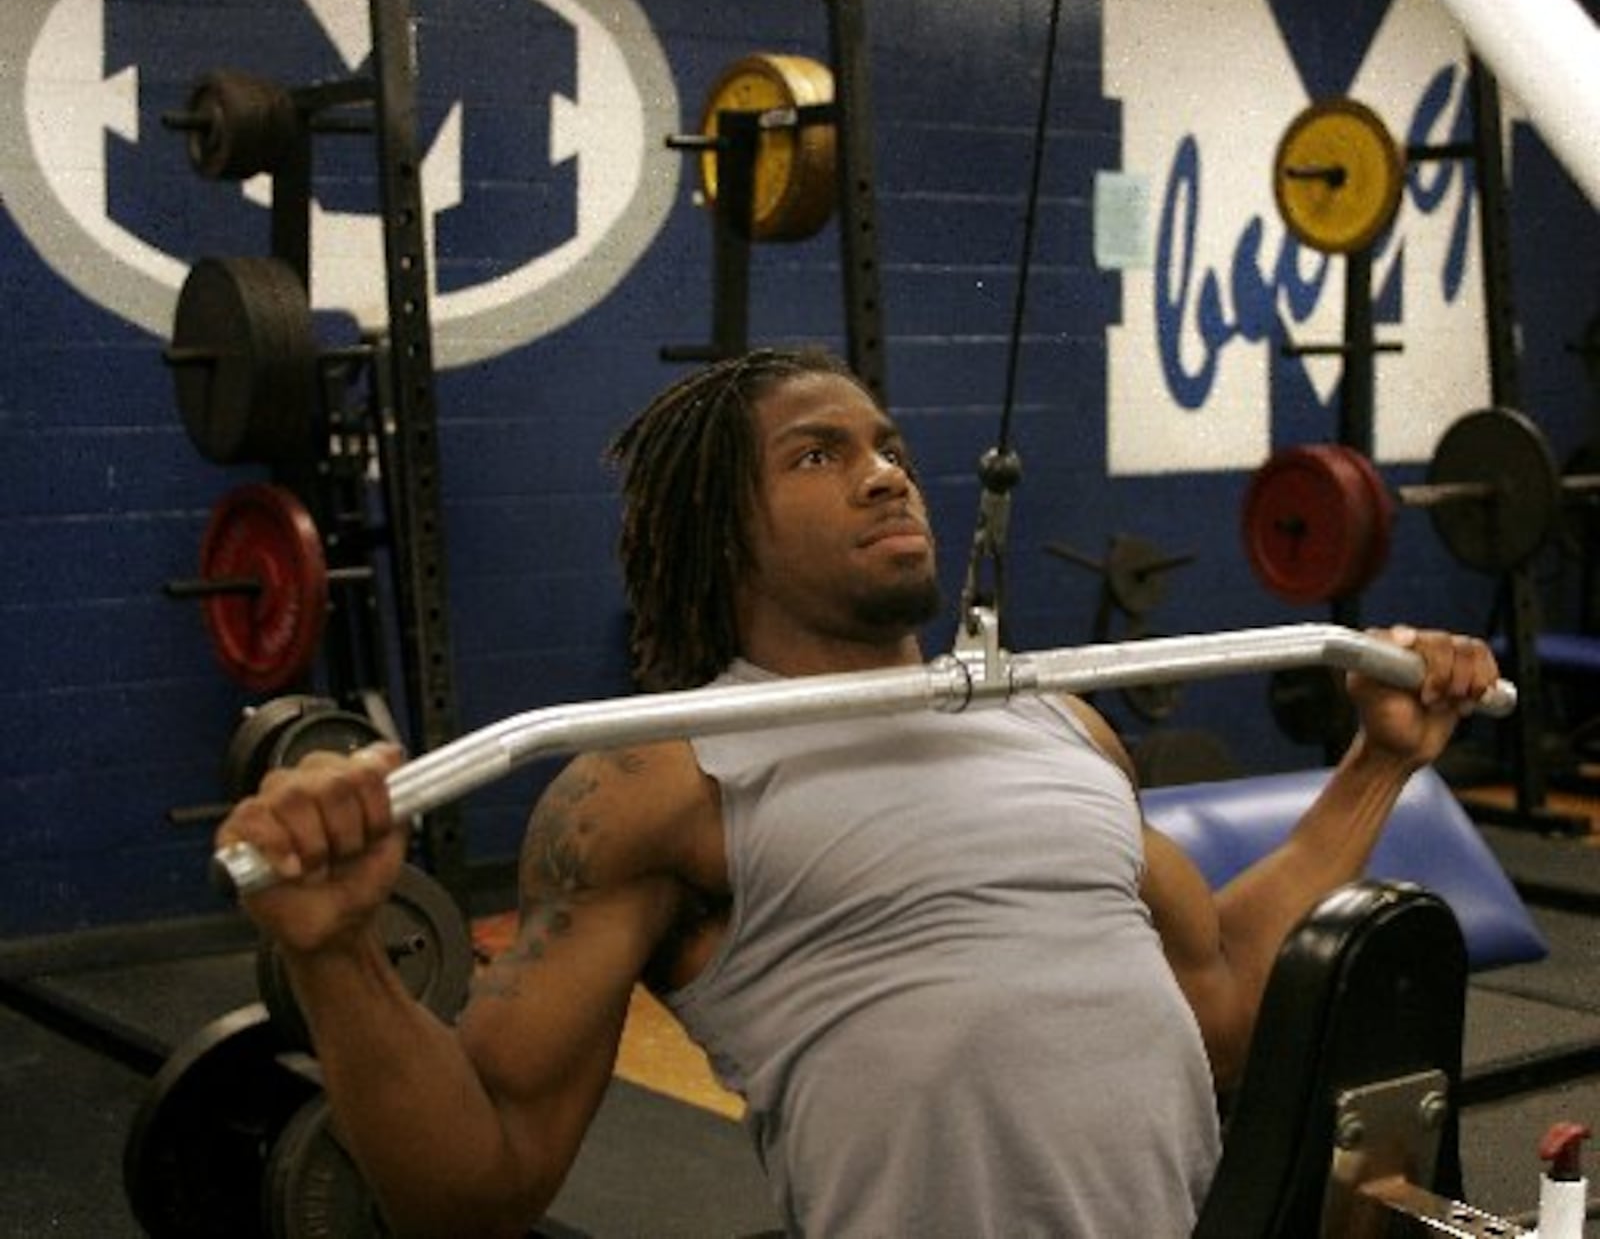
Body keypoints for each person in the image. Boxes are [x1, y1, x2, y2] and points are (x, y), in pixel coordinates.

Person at [217, 347, 1501, 1238]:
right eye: (818, 455)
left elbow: (1219, 996)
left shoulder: (1057, 717)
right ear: (725, 528)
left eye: (886, 446)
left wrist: (1379, 758)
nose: (885, 472)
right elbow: (476, 1186)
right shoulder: (660, 774)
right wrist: (338, 957)